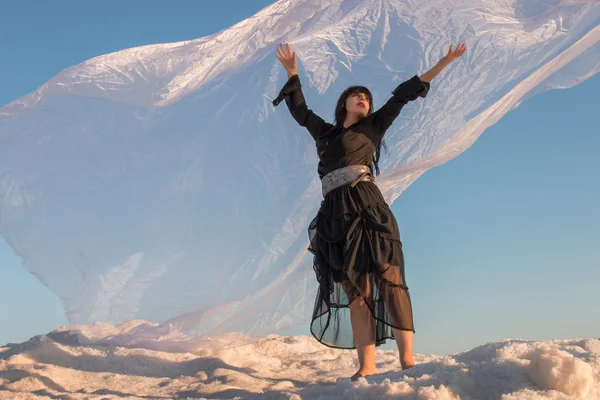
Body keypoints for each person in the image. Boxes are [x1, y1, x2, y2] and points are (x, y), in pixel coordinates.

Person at [273, 42, 466, 381]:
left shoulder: (373, 127)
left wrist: (443, 62)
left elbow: (403, 95)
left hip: (367, 206)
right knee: (356, 292)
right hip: (335, 213)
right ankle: (367, 366)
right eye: (356, 95)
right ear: (343, 104)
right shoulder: (326, 133)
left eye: (366, 97)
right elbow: (300, 111)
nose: (363, 99)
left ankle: (407, 361)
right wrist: (292, 72)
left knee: (389, 280)